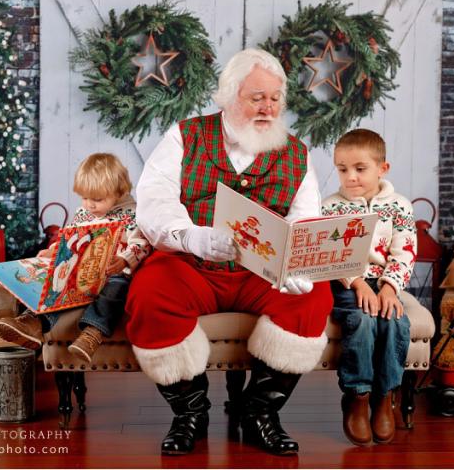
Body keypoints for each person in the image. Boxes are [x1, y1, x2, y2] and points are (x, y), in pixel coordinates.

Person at [128, 48, 333, 456]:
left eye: (275, 98)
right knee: (150, 294)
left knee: (314, 297)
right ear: (228, 95)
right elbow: (153, 200)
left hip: (262, 273)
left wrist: (298, 262)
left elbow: (306, 217)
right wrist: (191, 236)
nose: (267, 107)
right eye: (256, 97)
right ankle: (190, 413)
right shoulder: (185, 135)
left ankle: (260, 413)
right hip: (192, 264)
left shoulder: (296, 153)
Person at [0, 153, 151, 363]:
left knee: (116, 289)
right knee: (56, 283)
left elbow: (141, 244)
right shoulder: (83, 214)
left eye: (97, 199)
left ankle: (92, 333)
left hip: (113, 274)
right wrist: (53, 251)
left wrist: (124, 260)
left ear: (118, 192)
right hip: (81, 274)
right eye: (84, 198)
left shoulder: (132, 215)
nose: (90, 205)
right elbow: (69, 239)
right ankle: (32, 323)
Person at [321, 129, 416, 445]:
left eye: (360, 169)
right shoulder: (332, 208)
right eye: (342, 168)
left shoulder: (399, 206)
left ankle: (384, 396)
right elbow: (330, 254)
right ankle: (358, 396)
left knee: (394, 319)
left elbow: (405, 249)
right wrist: (358, 282)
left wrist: (389, 287)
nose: (350, 177)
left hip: (385, 280)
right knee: (362, 319)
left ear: (382, 168)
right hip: (348, 283)